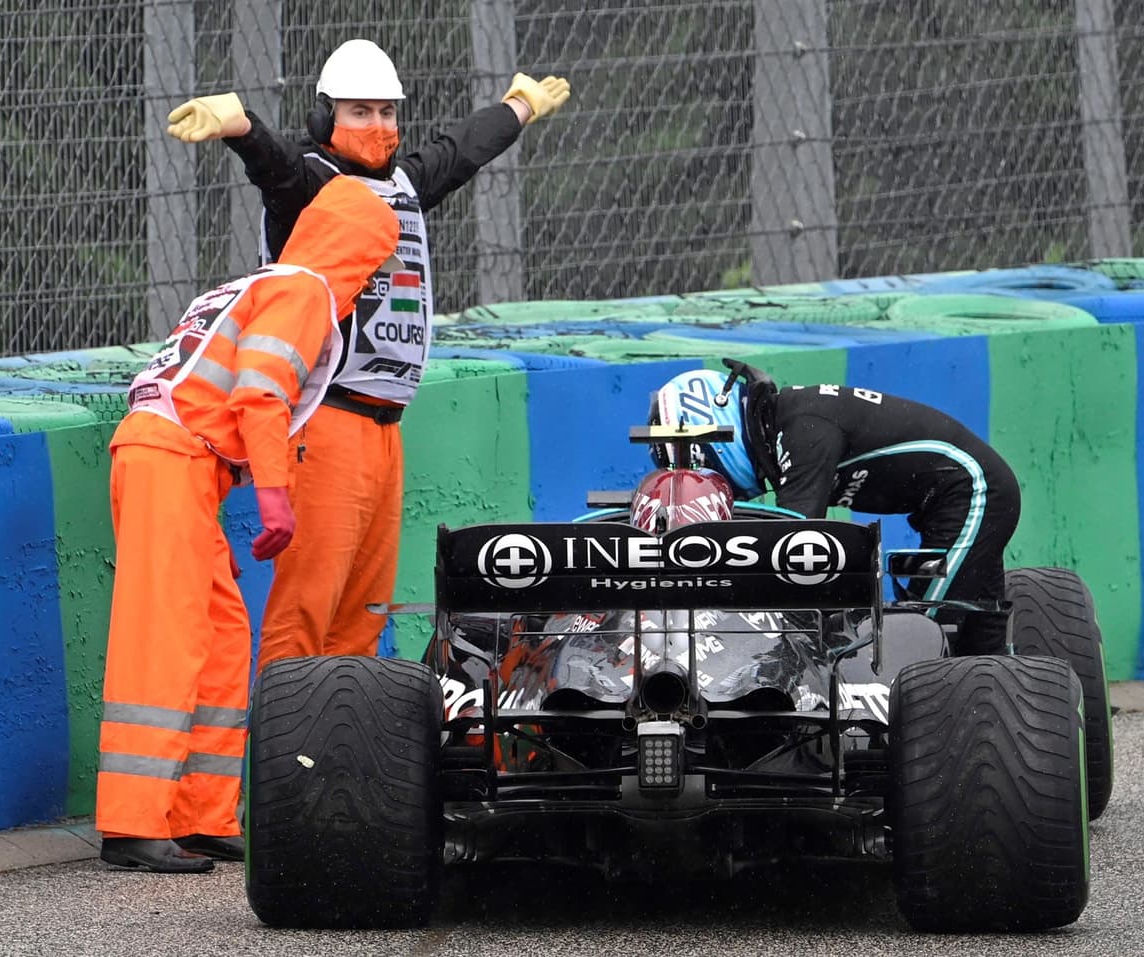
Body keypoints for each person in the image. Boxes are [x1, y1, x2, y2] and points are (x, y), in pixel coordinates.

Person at [164, 39, 570, 672]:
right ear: (326, 119)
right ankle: (284, 765)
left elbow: (460, 151)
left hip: (385, 431)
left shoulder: (404, 183)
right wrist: (242, 126)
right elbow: (277, 170)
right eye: (360, 112)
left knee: (362, 616)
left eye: (387, 112)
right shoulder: (314, 183)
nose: (378, 126)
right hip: (328, 419)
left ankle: (340, 761)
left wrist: (519, 105)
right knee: (305, 614)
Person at [96, 176, 402, 874]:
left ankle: (201, 813)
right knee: (166, 636)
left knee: (225, 632)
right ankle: (133, 822)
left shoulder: (261, 283)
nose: (374, 282)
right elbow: (258, 393)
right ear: (353, 250)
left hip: (178, 463)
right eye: (375, 264)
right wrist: (275, 497)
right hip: (172, 460)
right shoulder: (303, 293)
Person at [649, 358, 1022, 654]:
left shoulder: (803, 428)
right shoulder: (794, 420)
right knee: (977, 642)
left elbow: (793, 547)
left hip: (974, 491)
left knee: (922, 640)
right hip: (949, 500)